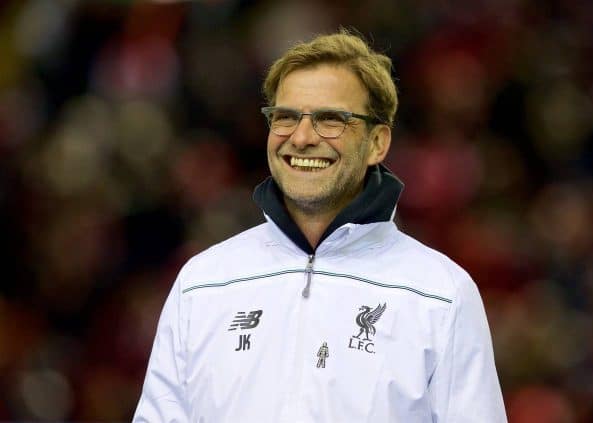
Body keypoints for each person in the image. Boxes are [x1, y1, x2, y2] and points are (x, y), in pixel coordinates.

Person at [133, 29, 507, 422]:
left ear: (378, 143)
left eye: (331, 119)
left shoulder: (441, 294)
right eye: (286, 117)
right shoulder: (203, 283)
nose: (302, 137)